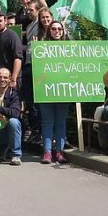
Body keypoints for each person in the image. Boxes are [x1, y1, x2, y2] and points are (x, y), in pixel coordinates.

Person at [37, 21, 69, 164]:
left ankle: (60, 152)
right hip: (46, 90)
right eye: (54, 29)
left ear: (63, 31)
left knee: (61, 122)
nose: (57, 31)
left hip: (63, 90)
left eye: (59, 29)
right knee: (48, 122)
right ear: (49, 31)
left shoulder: (70, 49)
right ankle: (47, 152)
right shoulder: (42, 48)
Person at [0, 67, 22, 165]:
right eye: (0, 77)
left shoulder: (14, 93)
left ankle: (16, 155)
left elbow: (15, 113)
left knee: (14, 122)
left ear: (10, 78)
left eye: (5, 77)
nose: (2, 79)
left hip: (7, 128)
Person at [0, 11, 23, 90]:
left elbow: (18, 58)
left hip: (10, 80)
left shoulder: (12, 36)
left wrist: (14, 79)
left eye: (0, 21)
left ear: (5, 21)